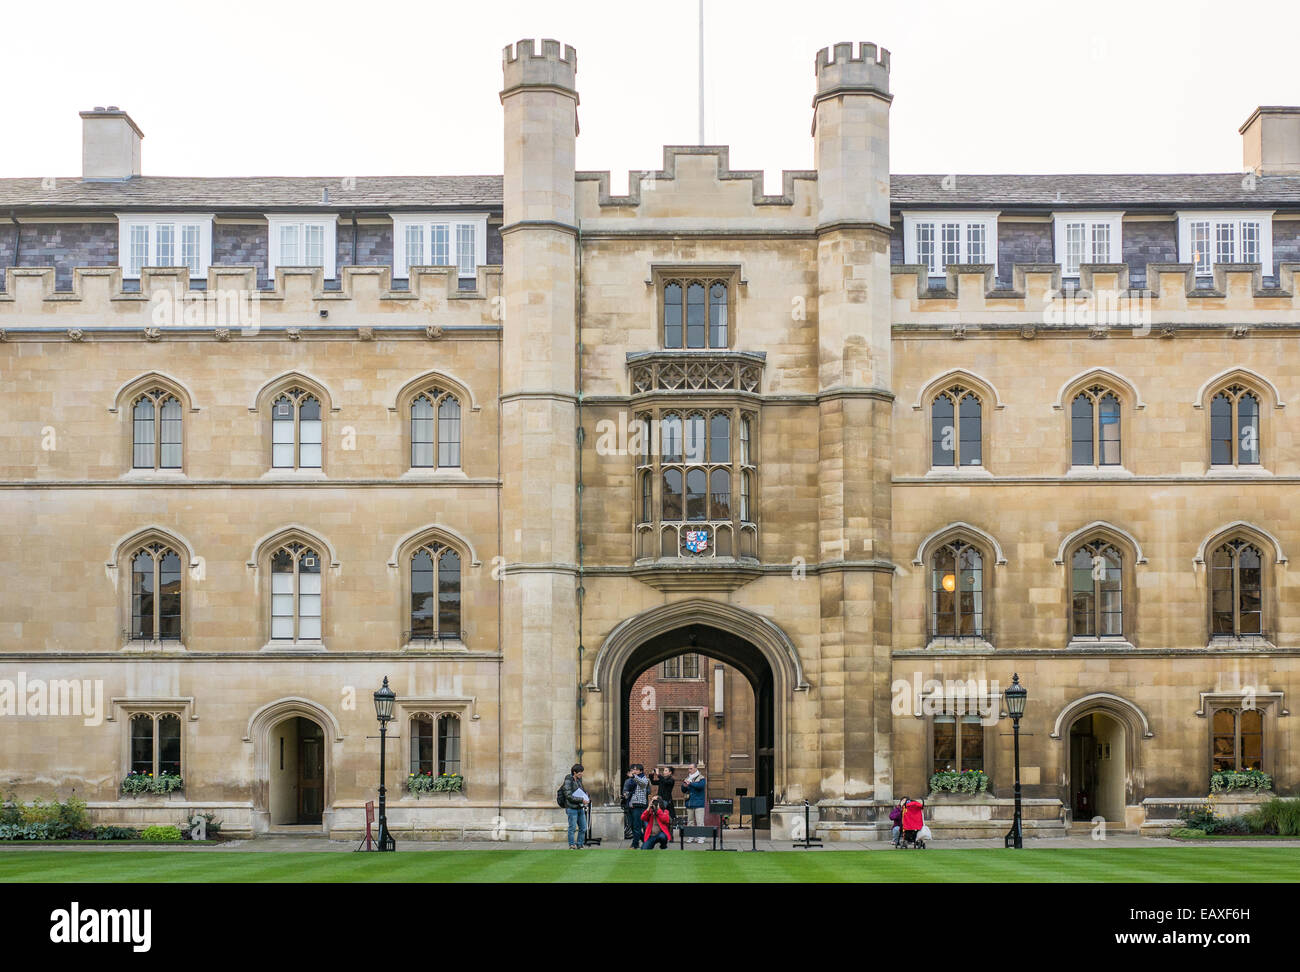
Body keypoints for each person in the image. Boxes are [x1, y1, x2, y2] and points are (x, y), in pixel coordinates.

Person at [561, 763, 590, 849]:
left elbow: (581, 791)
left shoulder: (579, 780)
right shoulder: (568, 780)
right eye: (580, 772)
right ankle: (572, 845)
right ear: (574, 772)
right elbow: (568, 796)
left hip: (579, 807)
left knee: (583, 827)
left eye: (582, 772)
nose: (581, 774)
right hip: (571, 807)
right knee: (572, 827)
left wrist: (586, 795)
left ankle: (580, 844)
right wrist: (581, 800)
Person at [622, 764, 649, 848]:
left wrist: (634, 776)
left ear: (640, 771)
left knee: (637, 826)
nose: (634, 771)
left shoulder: (644, 778)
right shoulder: (630, 780)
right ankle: (645, 841)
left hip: (639, 804)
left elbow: (643, 784)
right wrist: (625, 794)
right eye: (633, 770)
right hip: (631, 804)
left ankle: (635, 844)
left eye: (636, 770)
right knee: (633, 825)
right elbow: (626, 790)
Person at [681, 763, 707, 842]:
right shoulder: (688, 778)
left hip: (699, 803)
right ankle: (691, 837)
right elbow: (683, 790)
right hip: (689, 803)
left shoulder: (701, 778)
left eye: (691, 768)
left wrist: (690, 783)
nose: (689, 770)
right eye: (689, 768)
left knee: (700, 822)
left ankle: (701, 837)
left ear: (696, 768)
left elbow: (700, 786)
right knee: (690, 821)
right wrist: (684, 786)